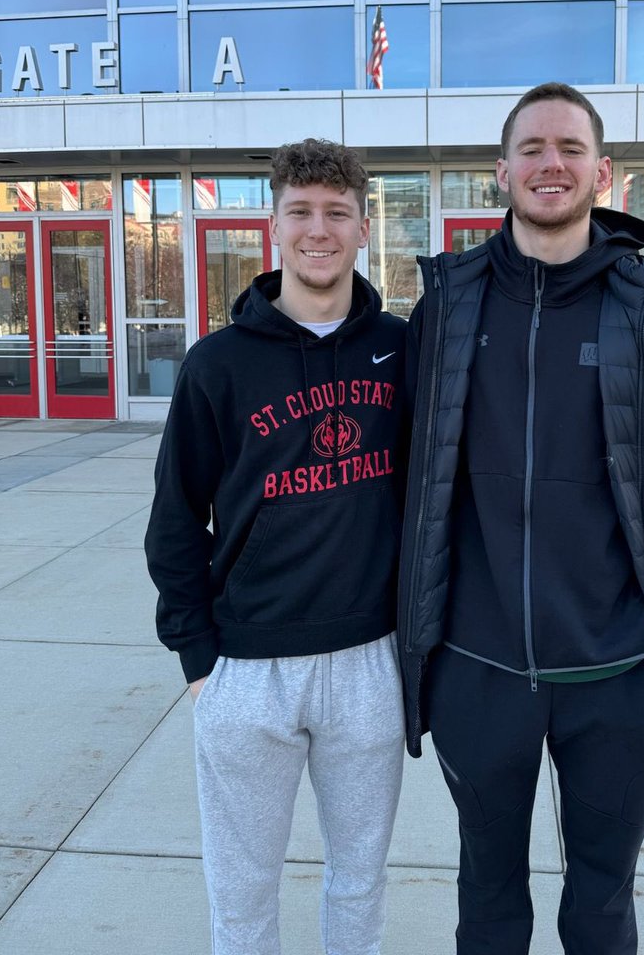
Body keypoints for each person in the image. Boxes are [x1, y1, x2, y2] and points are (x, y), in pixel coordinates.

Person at [397, 83, 644, 955]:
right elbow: (402, 476)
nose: (549, 163)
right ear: (501, 171)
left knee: (601, 907)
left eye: (569, 148)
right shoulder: (447, 307)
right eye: (531, 148)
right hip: (477, 670)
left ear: (604, 173)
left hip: (624, 675)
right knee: (487, 900)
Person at [146, 139, 407, 955]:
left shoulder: (403, 351)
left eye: (337, 213)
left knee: (359, 882)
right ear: (274, 225)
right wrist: (199, 660)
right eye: (300, 211)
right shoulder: (217, 365)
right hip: (248, 668)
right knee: (243, 891)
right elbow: (175, 519)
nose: (318, 230)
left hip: (369, 661)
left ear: (363, 228)